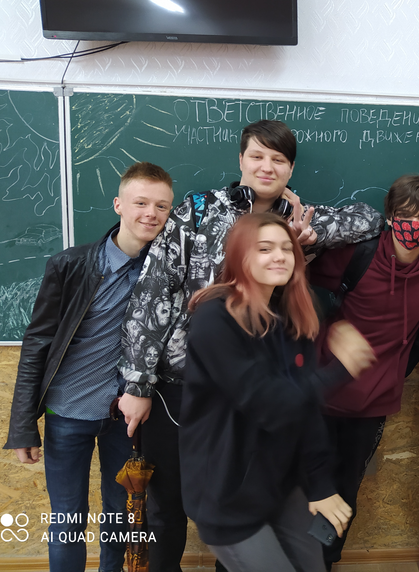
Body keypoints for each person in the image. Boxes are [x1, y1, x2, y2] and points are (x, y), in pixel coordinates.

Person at [116, 119, 384, 572]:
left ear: (290, 169)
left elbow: (370, 219)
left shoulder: (295, 221)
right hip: (182, 384)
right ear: (240, 160)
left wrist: (308, 235)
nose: (266, 167)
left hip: (258, 387)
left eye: (278, 159)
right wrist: (138, 384)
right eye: (257, 156)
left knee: (245, 499)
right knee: (168, 507)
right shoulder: (198, 210)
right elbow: (154, 292)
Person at [180, 213, 375, 572]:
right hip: (228, 494)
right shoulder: (215, 320)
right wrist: (339, 370)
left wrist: (319, 483)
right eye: (265, 248)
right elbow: (270, 404)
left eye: (287, 248)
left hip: (279, 485)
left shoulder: (288, 317)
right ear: (240, 257)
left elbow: (304, 410)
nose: (280, 256)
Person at [3, 163, 174, 572]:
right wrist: (22, 425)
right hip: (68, 412)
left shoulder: (168, 270)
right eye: (141, 202)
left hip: (125, 418)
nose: (151, 213)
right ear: (118, 204)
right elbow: (38, 343)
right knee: (67, 519)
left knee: (120, 516)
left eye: (162, 206)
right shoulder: (70, 264)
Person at [309, 175, 419, 570]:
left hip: (373, 402)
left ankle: (325, 562)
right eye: (406, 215)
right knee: (307, 487)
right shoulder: (357, 255)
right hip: (320, 393)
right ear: (390, 217)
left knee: (345, 490)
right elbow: (292, 274)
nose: (415, 225)